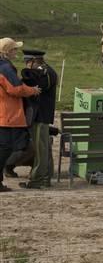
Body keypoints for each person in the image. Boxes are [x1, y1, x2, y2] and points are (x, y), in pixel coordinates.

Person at [0, 38, 40, 192]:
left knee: (5, 147)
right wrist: (33, 90)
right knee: (7, 148)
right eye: (15, 49)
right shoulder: (5, 68)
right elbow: (16, 89)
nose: (17, 51)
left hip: (4, 114)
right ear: (8, 51)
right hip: (8, 115)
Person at [18, 49, 57, 189]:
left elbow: (38, 86)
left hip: (41, 115)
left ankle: (38, 179)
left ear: (34, 60)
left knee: (41, 149)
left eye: (28, 62)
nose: (27, 65)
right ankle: (45, 177)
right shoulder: (43, 71)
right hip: (40, 115)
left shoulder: (46, 73)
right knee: (44, 148)